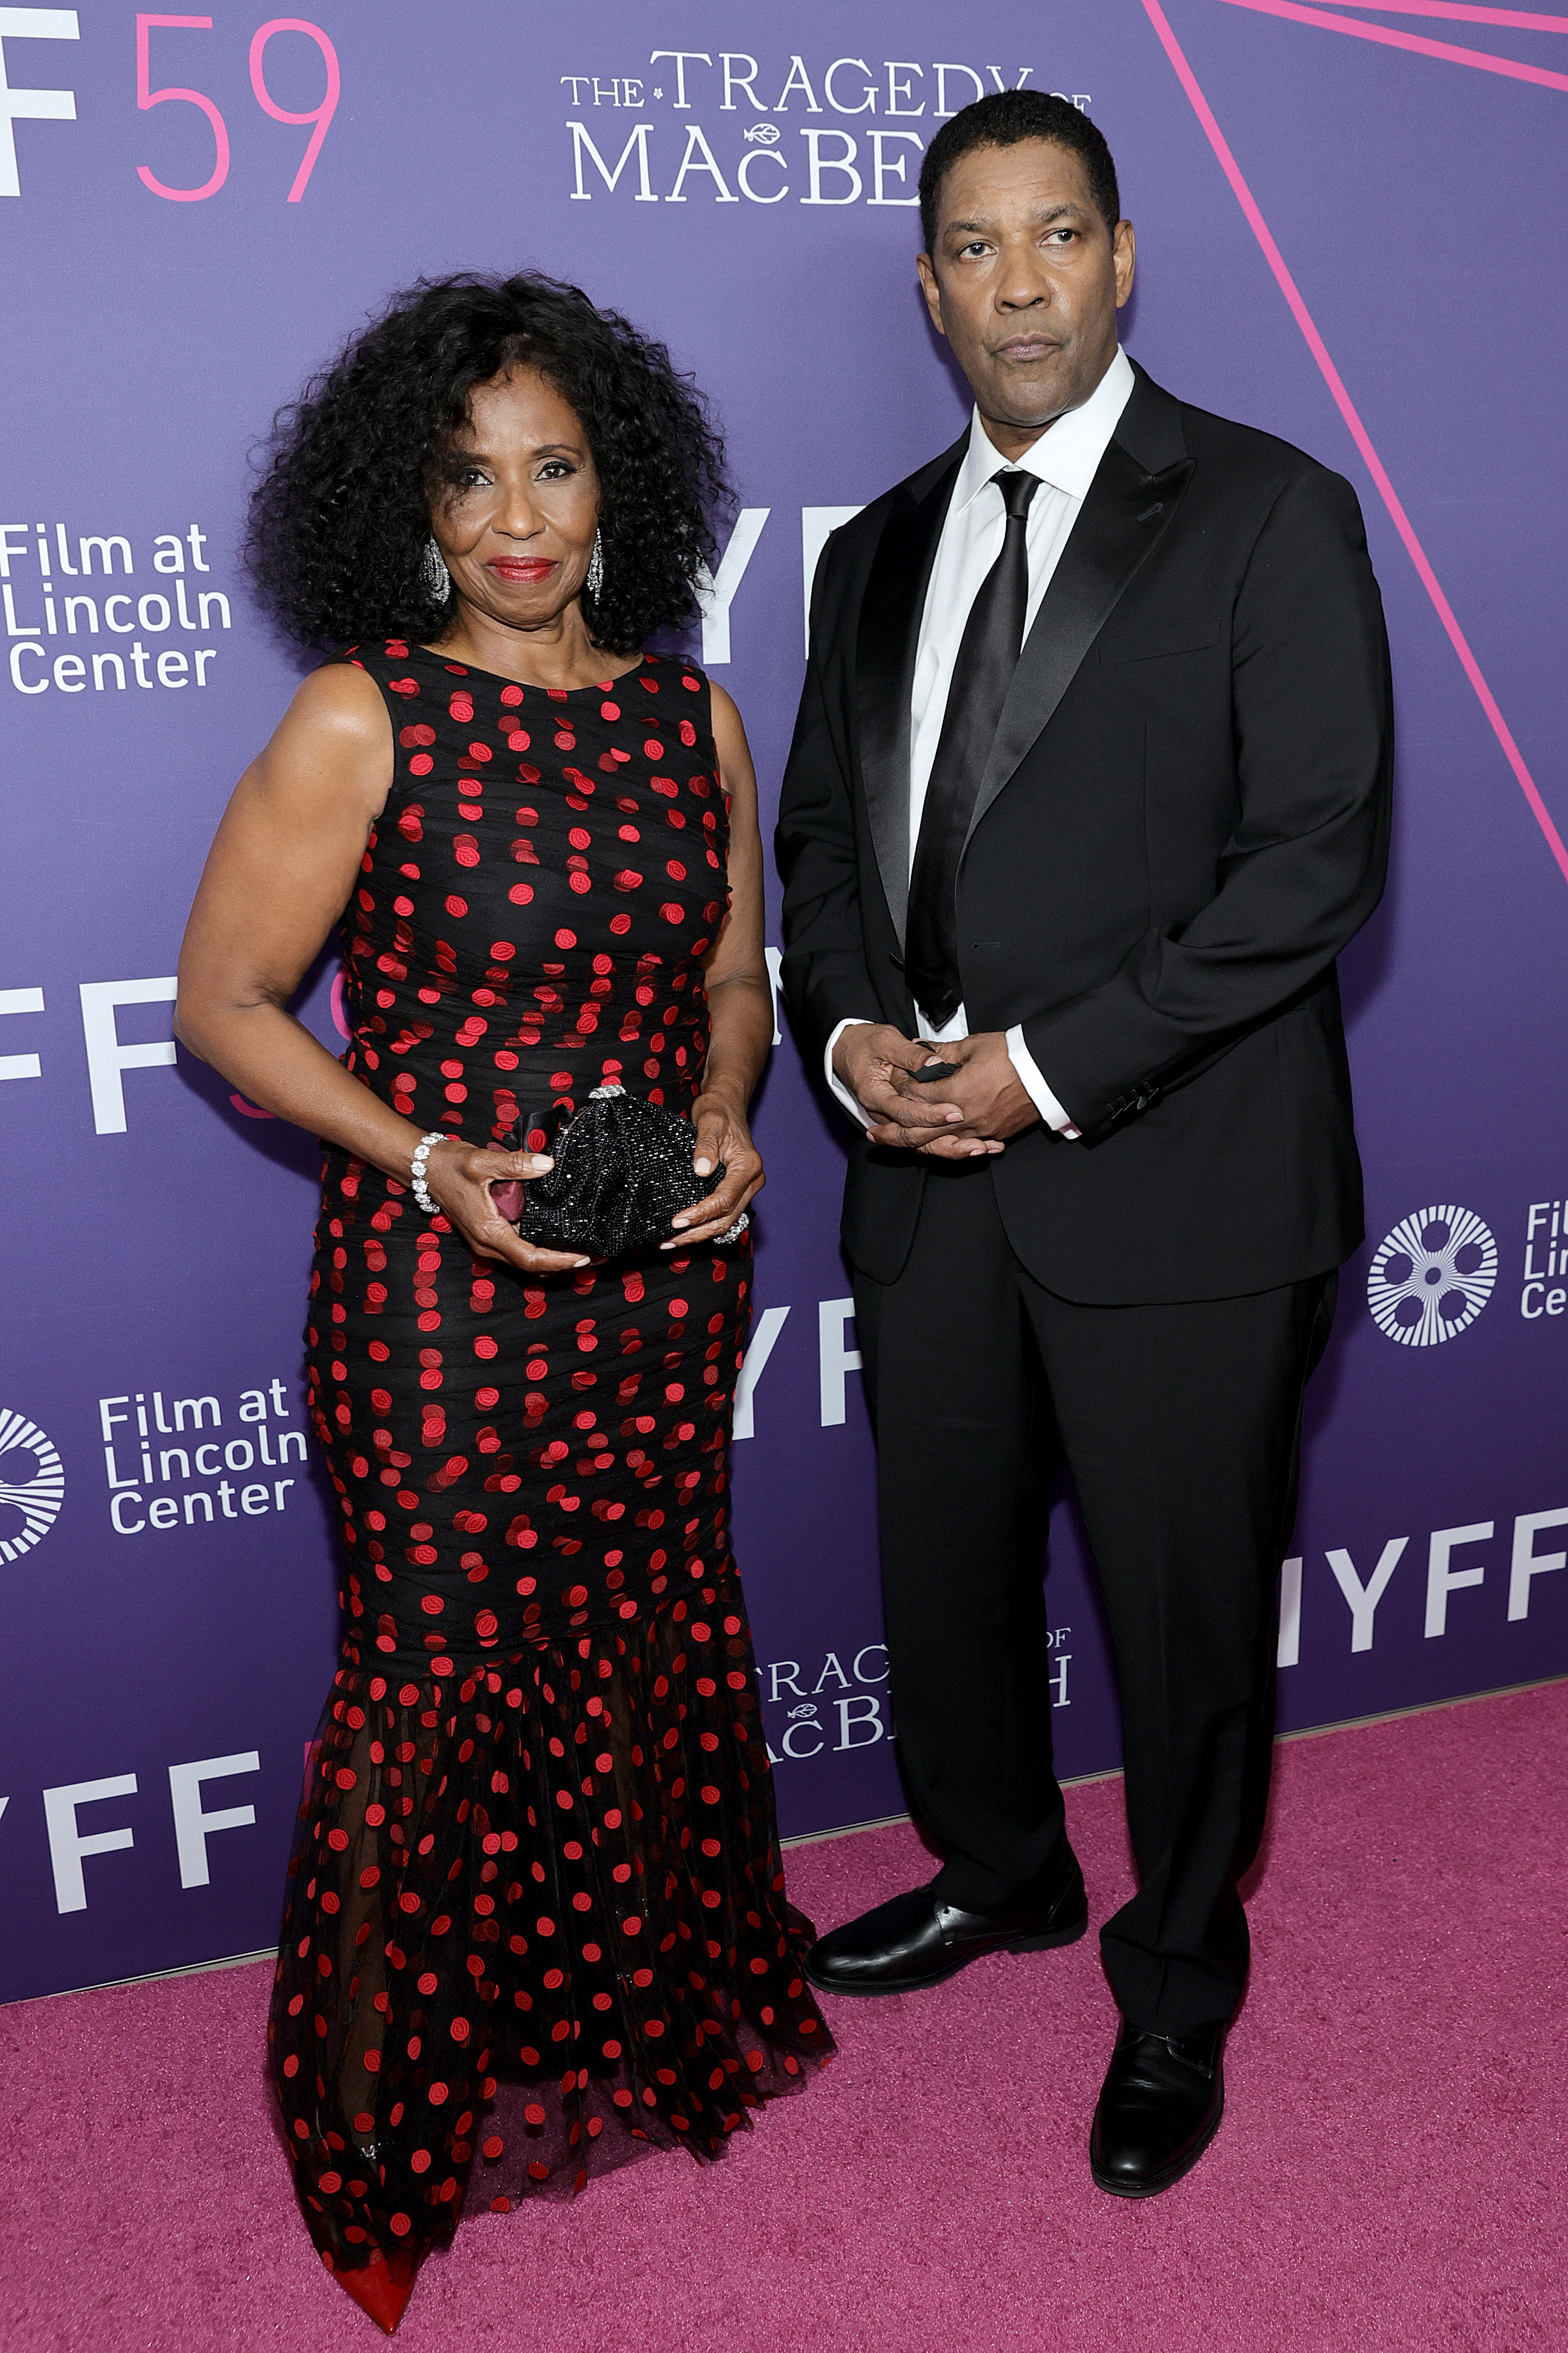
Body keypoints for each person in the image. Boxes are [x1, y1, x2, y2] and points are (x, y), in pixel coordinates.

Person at [176, 271, 831, 2333]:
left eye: (553, 469)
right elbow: (224, 1007)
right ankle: (385, 2119)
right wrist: (428, 1164)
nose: (519, 518)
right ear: (416, 508)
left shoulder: (687, 713)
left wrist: (730, 1115)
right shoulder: (365, 712)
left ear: (616, 483)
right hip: (437, 1302)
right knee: (444, 1678)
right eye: (472, 481)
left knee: (645, 1637)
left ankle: (633, 2026)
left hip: (657, 1298)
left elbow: (734, 976)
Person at [776, 92, 1391, 2198]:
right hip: (922, 1192)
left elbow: (1313, 861)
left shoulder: (1267, 509)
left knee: (1186, 1618)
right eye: (974, 244)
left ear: (1123, 260)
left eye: (1057, 237)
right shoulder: (864, 556)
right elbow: (819, 855)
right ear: (929, 284)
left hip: (1183, 1180)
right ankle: (1005, 1872)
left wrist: (1040, 1068)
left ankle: (1180, 1979)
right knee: (941, 1585)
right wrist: (850, 1032)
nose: (1018, 280)